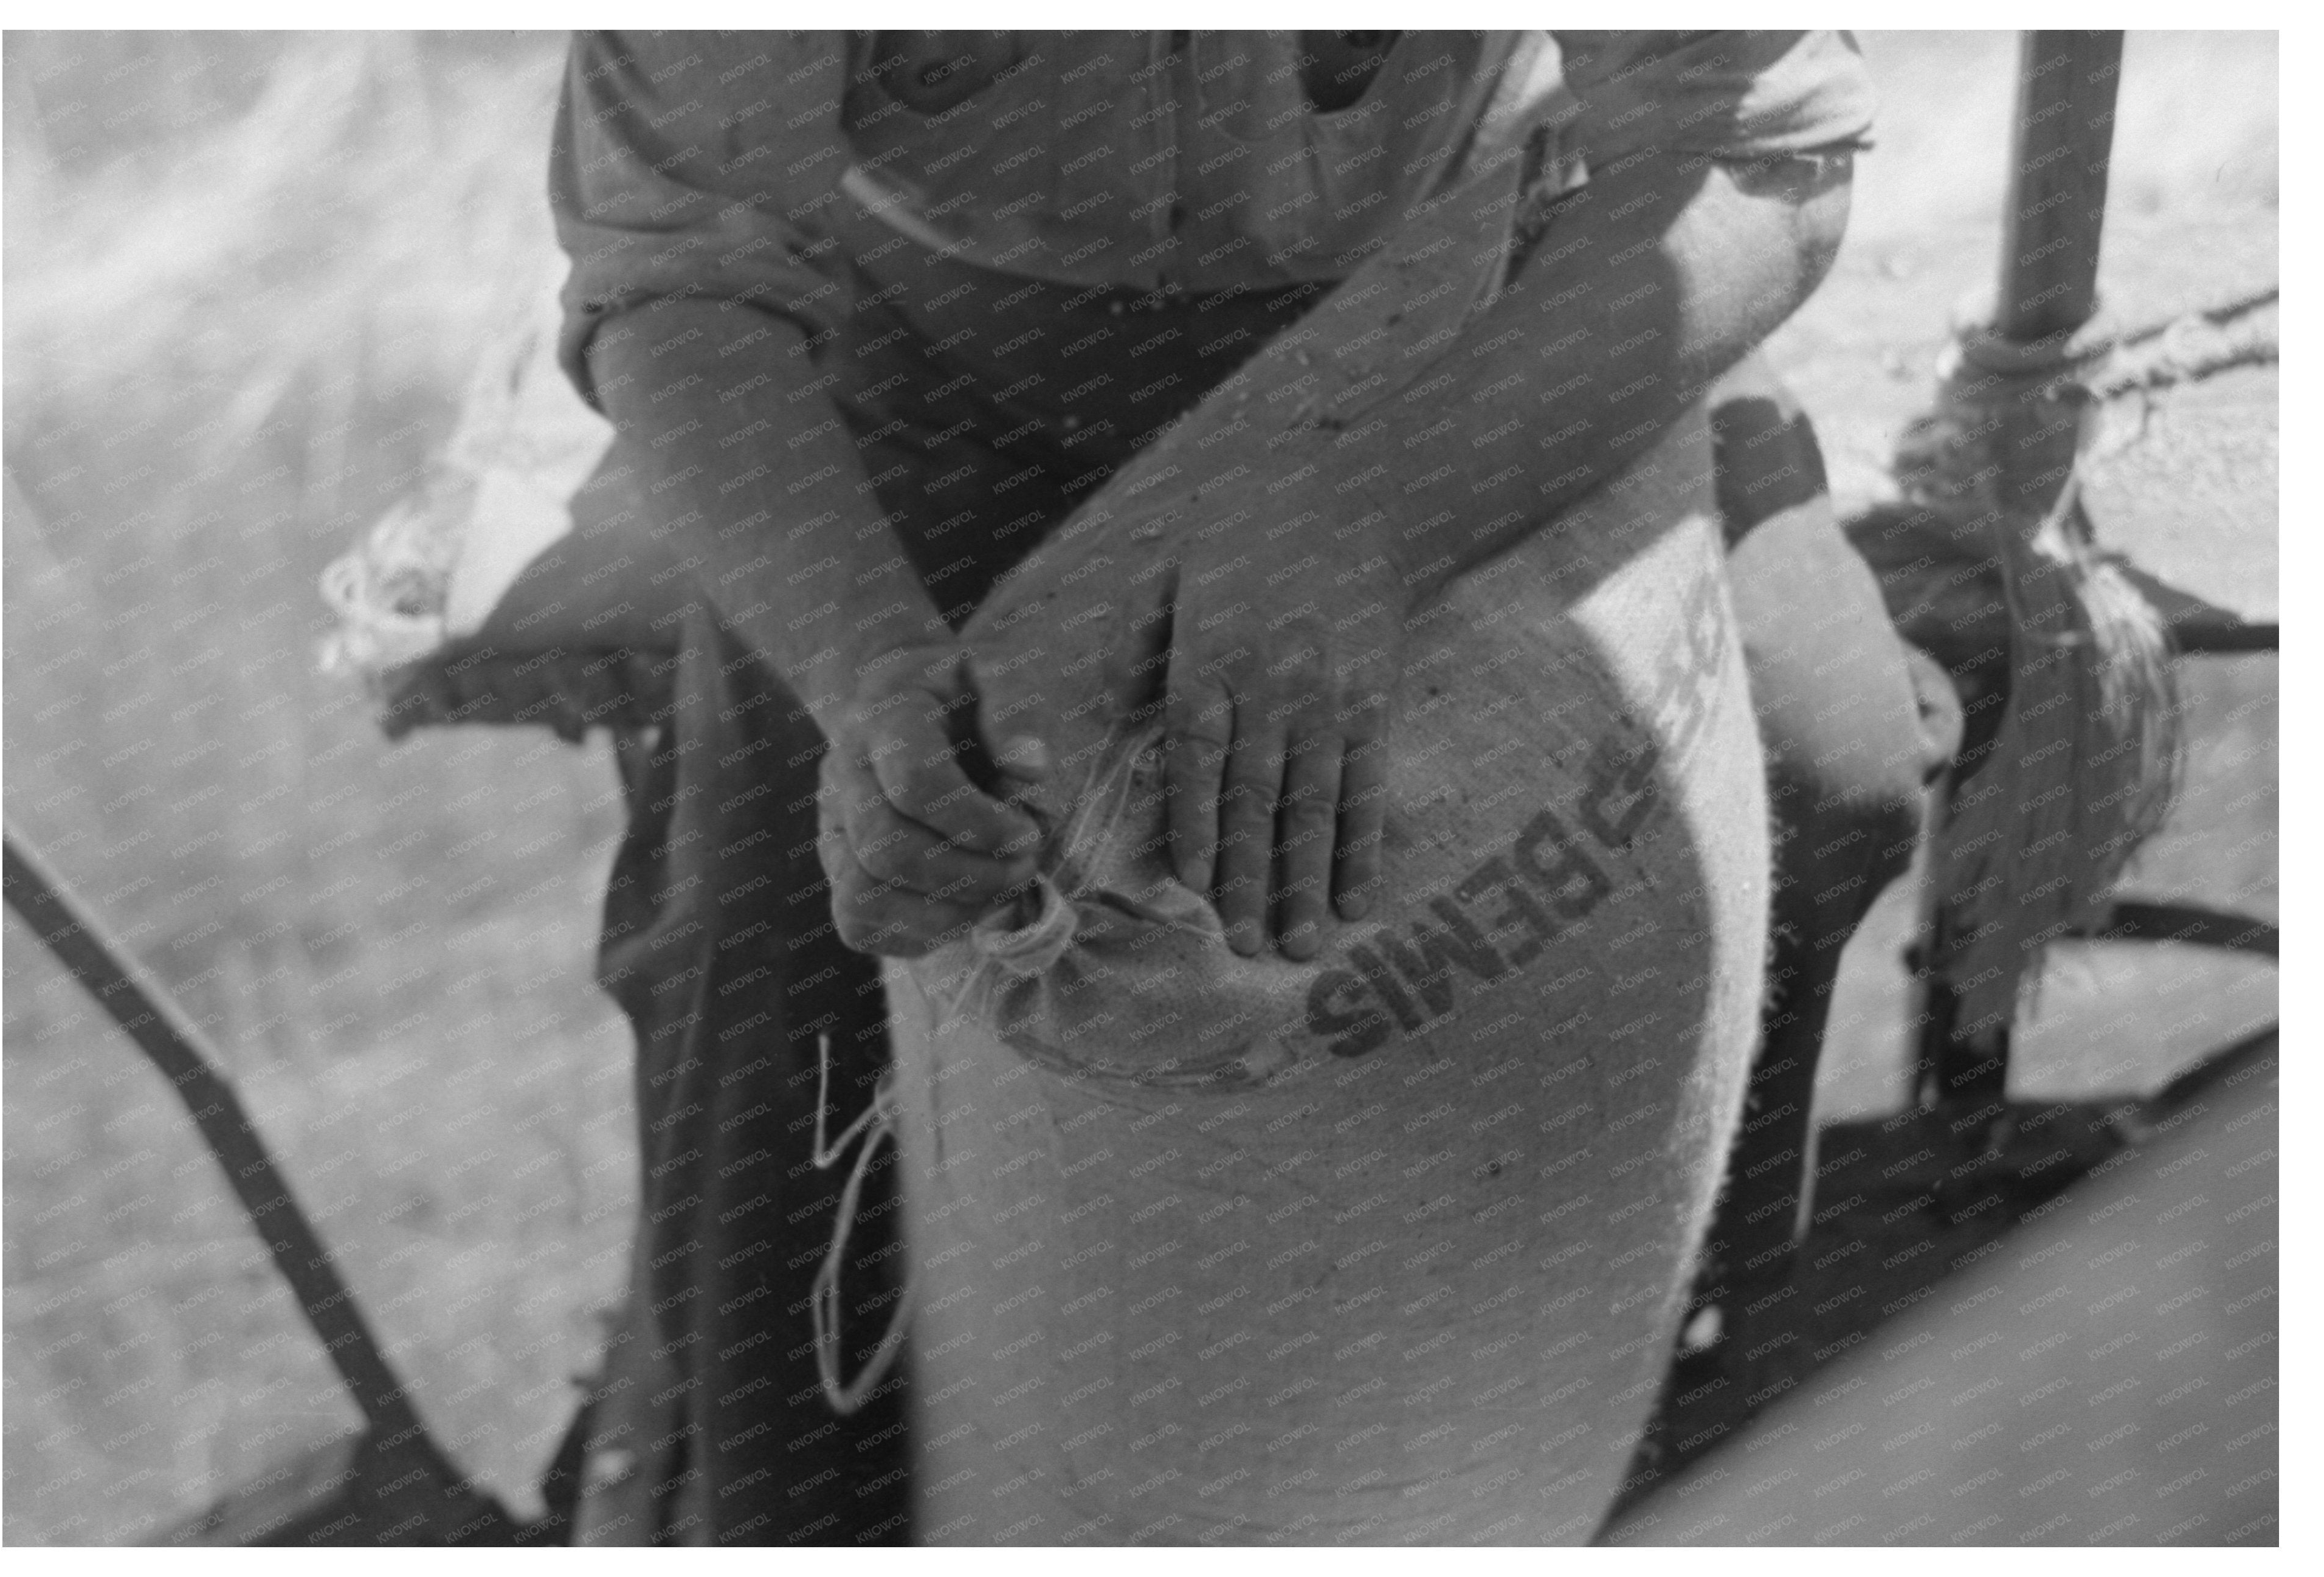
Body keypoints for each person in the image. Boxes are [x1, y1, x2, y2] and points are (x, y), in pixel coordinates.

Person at [531, 29, 1944, 1543]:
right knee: (778, 1027)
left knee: (1829, 779)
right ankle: (768, 1514)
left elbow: (1752, 153)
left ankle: (1668, 1424)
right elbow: (675, 268)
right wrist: (866, 670)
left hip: (1462, 302)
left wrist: (1371, 517)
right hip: (934, 371)